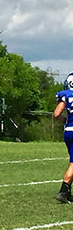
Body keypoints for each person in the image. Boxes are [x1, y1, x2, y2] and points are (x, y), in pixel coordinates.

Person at [54, 72, 73, 203]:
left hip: (68, 131)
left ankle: (67, 191)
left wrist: (65, 120)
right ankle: (63, 191)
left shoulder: (66, 95)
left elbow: (56, 114)